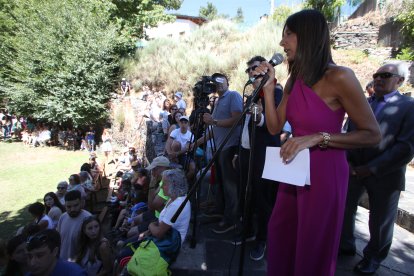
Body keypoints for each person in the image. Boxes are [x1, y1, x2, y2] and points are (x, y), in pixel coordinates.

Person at [255, 10, 381, 276]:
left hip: (325, 172)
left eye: (288, 34)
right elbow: (274, 126)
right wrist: (268, 91)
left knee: (313, 247)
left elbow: (372, 134)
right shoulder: (294, 80)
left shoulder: (341, 77)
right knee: (282, 235)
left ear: (309, 36)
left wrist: (316, 137)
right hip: (293, 171)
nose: (282, 43)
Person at [340, 63, 414, 274]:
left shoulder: (409, 106)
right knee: (345, 209)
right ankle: (345, 245)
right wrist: (349, 162)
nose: (378, 78)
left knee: (381, 221)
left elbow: (406, 147)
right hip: (354, 169)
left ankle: (373, 257)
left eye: (386, 75)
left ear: (400, 80)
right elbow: (348, 133)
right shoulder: (362, 103)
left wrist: (371, 168)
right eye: (376, 75)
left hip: (385, 174)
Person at [233, 55, 283, 260]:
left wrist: (259, 116)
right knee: (247, 193)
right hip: (247, 152)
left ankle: (263, 239)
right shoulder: (253, 94)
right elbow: (245, 127)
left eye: (255, 68)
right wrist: (238, 151)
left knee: (263, 199)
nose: (252, 73)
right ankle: (249, 231)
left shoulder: (276, 92)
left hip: (264, 154)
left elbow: (274, 124)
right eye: (249, 70)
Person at [194, 72, 243, 234]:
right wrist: (196, 143)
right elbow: (213, 130)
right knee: (222, 184)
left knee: (230, 186)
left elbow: (237, 120)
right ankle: (221, 212)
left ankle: (232, 220)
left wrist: (213, 121)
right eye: (216, 82)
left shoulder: (233, 95)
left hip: (230, 148)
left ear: (228, 82)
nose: (220, 84)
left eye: (222, 81)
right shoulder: (218, 101)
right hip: (220, 148)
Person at [57, 190, 92, 261]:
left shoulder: (88, 219)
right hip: (63, 259)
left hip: (79, 262)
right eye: (68, 207)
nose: (72, 209)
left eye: (76, 205)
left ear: (81, 203)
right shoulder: (62, 217)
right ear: (65, 205)